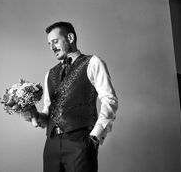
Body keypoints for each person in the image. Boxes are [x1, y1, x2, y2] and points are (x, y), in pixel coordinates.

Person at [23, 21, 118, 172]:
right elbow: (47, 115)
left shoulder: (92, 63)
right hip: (52, 144)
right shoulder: (50, 74)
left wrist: (95, 136)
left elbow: (109, 100)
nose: (52, 48)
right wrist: (32, 113)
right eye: (49, 44)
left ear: (70, 38)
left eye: (55, 41)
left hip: (80, 141)